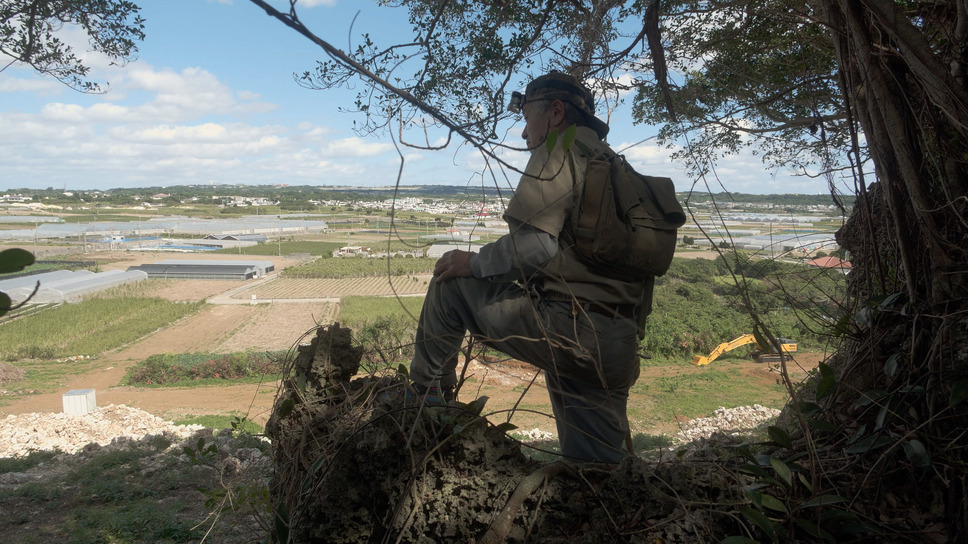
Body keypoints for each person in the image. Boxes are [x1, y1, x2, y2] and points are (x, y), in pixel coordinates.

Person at [408, 72, 652, 464]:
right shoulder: (619, 169)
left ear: (555, 113)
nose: (523, 134)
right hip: (616, 342)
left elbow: (535, 246)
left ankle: (424, 401)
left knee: (450, 283)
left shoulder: (559, 151)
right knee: (598, 471)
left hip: (567, 329)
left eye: (525, 118)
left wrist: (473, 262)